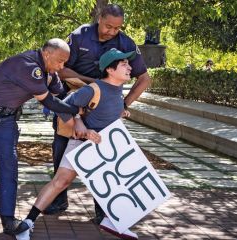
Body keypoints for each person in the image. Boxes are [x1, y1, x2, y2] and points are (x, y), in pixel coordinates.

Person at [0, 38, 82, 237]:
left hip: (6, 119)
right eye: (60, 61)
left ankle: (8, 219)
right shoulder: (28, 66)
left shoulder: (49, 72)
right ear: (47, 54)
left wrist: (83, 103)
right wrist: (77, 110)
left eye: (64, 62)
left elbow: (60, 95)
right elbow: (50, 102)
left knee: (10, 165)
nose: (62, 66)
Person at [15, 49, 139, 240]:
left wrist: (120, 113)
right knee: (60, 182)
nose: (130, 67)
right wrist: (80, 124)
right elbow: (63, 106)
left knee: (117, 184)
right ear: (110, 70)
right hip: (82, 146)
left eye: (128, 64)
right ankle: (27, 223)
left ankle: (112, 221)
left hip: (105, 149)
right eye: (124, 64)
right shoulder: (93, 89)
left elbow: (103, 112)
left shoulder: (117, 91)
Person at [45, 4, 151, 225]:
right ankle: (58, 200)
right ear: (99, 18)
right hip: (73, 103)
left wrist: (124, 103)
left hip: (105, 110)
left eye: (117, 28)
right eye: (108, 26)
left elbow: (144, 79)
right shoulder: (79, 35)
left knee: (106, 161)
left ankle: (104, 210)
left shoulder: (126, 43)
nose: (112, 32)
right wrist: (96, 84)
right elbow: (61, 69)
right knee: (61, 151)